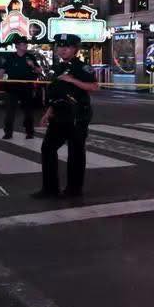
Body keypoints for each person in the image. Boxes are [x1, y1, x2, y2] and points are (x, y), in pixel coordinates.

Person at [34, 34, 99, 200]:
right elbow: (55, 93)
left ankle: (74, 189)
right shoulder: (56, 68)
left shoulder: (82, 68)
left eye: (67, 47)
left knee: (75, 153)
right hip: (59, 114)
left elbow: (93, 86)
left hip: (77, 115)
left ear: (75, 49)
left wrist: (72, 80)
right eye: (60, 46)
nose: (62, 49)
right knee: (47, 148)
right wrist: (48, 113)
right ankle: (50, 189)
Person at [1, 37, 42, 139]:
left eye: (26, 44)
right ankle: (8, 133)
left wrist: (32, 66)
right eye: (23, 44)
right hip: (12, 88)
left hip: (26, 87)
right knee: (10, 111)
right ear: (17, 46)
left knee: (28, 111)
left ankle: (29, 132)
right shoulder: (11, 57)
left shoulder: (30, 57)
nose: (25, 45)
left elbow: (39, 71)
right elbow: (1, 71)